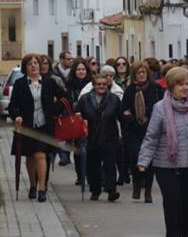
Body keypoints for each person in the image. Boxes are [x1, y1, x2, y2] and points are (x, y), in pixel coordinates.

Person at [138, 67, 188, 237]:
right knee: (172, 204)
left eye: (187, 84)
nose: (185, 88)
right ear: (171, 86)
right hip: (166, 165)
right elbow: (152, 136)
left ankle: (186, 232)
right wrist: (143, 161)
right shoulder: (160, 108)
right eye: (181, 84)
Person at [8, 53, 64, 203]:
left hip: (44, 126)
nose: (33, 66)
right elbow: (13, 106)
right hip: (26, 126)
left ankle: (41, 189)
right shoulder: (20, 84)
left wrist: (54, 110)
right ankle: (33, 184)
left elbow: (65, 98)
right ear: (25, 68)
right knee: (30, 156)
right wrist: (17, 116)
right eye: (29, 64)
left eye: (35, 63)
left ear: (40, 66)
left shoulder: (49, 83)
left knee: (41, 154)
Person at [76, 74, 122, 202]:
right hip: (91, 137)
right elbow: (78, 115)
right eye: (98, 84)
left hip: (109, 136)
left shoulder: (114, 99)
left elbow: (121, 117)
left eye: (104, 84)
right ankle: (95, 190)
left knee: (110, 165)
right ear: (94, 85)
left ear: (107, 85)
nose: (101, 86)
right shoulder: (85, 99)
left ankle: (111, 190)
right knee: (93, 166)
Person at [121, 60, 162, 202]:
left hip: (151, 130)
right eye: (138, 72)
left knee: (149, 161)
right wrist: (131, 118)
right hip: (133, 131)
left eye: (144, 72)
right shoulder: (130, 90)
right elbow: (124, 109)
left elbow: (161, 107)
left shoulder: (156, 89)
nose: (141, 75)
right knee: (135, 158)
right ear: (134, 75)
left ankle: (148, 190)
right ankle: (137, 184)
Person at [40, 54, 71, 166]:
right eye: (41, 63)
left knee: (49, 151)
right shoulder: (34, 79)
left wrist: (55, 109)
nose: (44, 66)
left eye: (46, 63)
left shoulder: (54, 80)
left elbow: (64, 98)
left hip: (52, 120)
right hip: (37, 121)